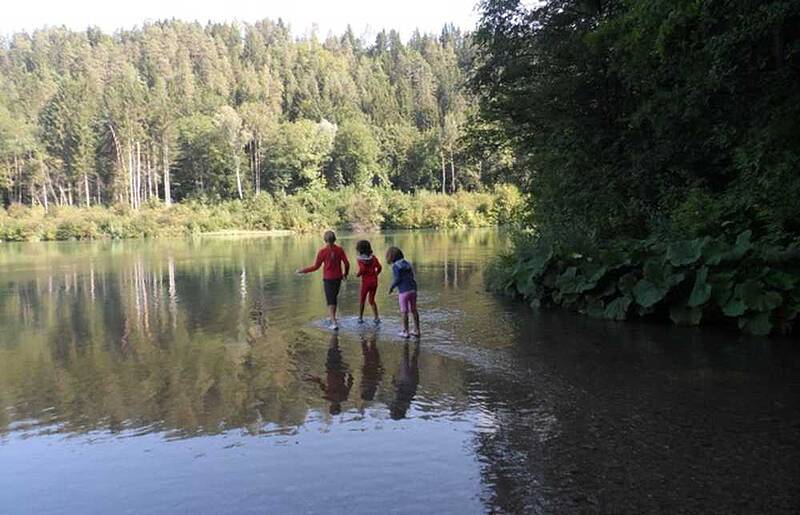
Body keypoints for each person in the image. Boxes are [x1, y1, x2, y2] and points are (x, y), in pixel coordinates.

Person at [297, 230, 350, 330]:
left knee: (330, 300)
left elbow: (316, 267)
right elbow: (347, 264)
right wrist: (345, 274)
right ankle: (333, 318)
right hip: (338, 278)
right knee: (334, 298)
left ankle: (334, 322)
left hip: (328, 279)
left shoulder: (322, 252)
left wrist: (303, 270)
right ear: (334, 239)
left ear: (325, 240)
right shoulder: (340, 250)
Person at [304, 333, 353, 416]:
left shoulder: (343, 397)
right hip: (332, 369)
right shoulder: (330, 397)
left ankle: (335, 335)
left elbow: (350, 383)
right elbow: (323, 386)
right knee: (333, 349)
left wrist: (349, 372)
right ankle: (335, 333)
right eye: (330, 407)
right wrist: (315, 380)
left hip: (340, 371)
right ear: (332, 407)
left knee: (335, 350)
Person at [386, 246, 420, 338]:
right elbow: (412, 276)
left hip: (404, 292)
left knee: (404, 311)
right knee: (414, 310)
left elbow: (397, 279)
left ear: (391, 257)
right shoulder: (408, 264)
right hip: (413, 289)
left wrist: (391, 287)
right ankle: (417, 330)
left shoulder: (396, 266)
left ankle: (405, 331)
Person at [390, 341, 420, 420]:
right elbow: (399, 390)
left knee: (414, 360)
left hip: (413, 382)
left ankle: (416, 345)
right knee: (405, 359)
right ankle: (406, 343)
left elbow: (410, 392)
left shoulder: (406, 404)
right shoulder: (399, 403)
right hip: (405, 379)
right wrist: (394, 383)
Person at [355, 240, 382, 324]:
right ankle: (376, 317)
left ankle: (360, 318)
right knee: (371, 300)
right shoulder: (373, 258)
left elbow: (362, 269)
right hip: (374, 282)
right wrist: (376, 274)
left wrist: (358, 274)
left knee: (362, 300)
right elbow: (380, 267)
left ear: (360, 250)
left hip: (366, 283)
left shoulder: (360, 260)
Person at [360, 334, 383, 402]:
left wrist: (381, 369)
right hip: (370, 365)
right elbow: (378, 376)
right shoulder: (370, 385)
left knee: (371, 351)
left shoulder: (373, 385)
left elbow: (379, 377)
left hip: (372, 365)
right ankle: (365, 337)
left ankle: (369, 337)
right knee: (368, 351)